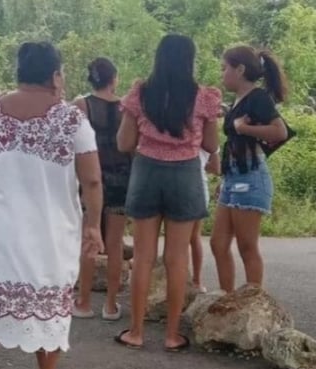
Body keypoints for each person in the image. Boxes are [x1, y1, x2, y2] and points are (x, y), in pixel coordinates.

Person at [0, 42, 104, 369]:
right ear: (55, 75)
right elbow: (92, 180)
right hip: (51, 231)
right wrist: (93, 224)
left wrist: (3, 172)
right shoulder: (71, 119)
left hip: (1, 228)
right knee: (50, 301)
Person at [115, 34, 221, 351]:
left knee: (143, 257)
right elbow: (212, 146)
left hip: (147, 172)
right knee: (177, 259)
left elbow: (123, 143)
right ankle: (173, 335)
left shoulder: (141, 94)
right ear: (190, 60)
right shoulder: (203, 97)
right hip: (186, 175)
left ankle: (135, 331)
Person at [210, 46, 289, 293]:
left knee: (247, 245)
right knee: (218, 243)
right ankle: (227, 297)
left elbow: (280, 131)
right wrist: (223, 178)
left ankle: (253, 302)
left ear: (240, 69)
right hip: (233, 176)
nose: (222, 74)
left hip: (251, 177)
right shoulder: (238, 101)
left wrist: (246, 129)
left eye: (225, 68)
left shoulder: (258, 98)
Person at [72, 57, 132, 321]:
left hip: (90, 177)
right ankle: (110, 305)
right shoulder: (126, 108)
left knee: (88, 239)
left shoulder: (81, 105)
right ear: (114, 79)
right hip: (122, 177)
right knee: (115, 243)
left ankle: (83, 303)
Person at [189, 150, 220, 293]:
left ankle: (176, 281)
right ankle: (197, 281)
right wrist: (200, 164)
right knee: (194, 237)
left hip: (170, 181)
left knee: (176, 241)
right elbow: (216, 167)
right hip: (199, 186)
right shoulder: (206, 130)